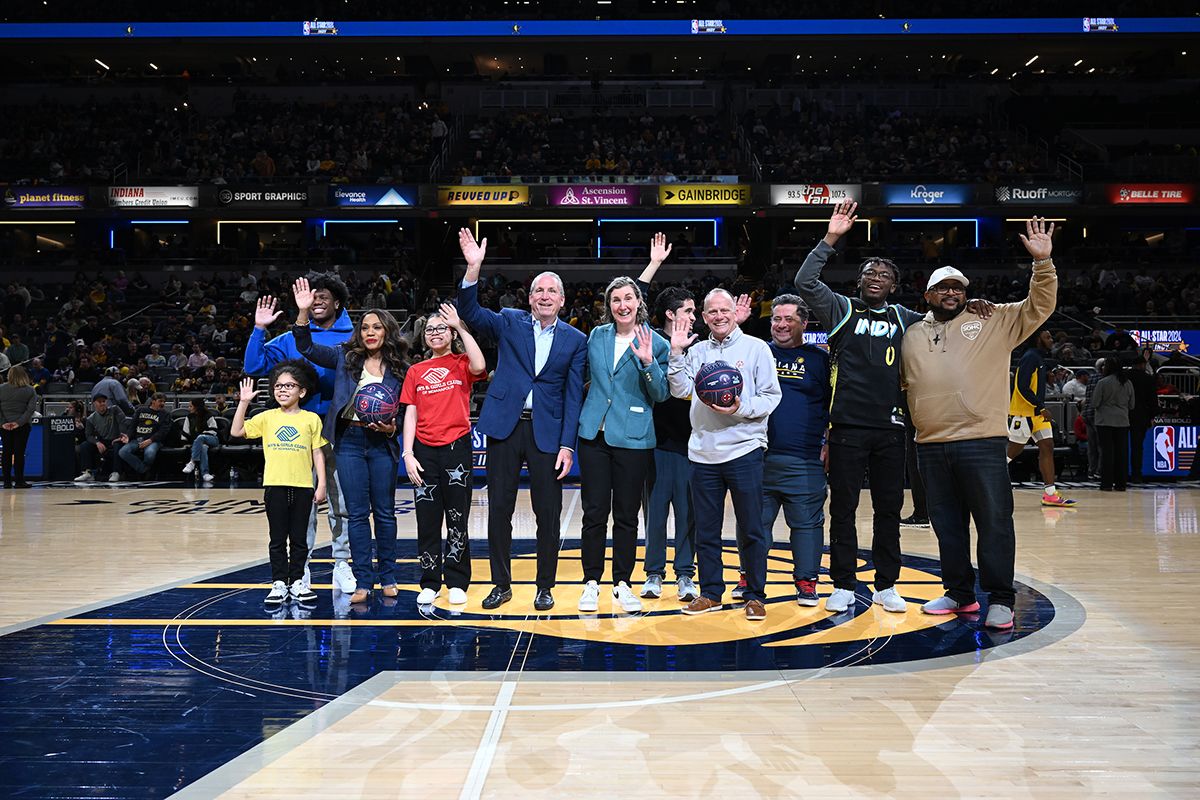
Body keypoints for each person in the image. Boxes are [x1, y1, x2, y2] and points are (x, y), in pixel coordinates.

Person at [793, 202, 991, 615]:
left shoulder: (907, 319)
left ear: (895, 285)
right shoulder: (841, 309)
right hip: (845, 425)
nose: (876, 279)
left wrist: (975, 304)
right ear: (860, 281)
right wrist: (832, 237)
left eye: (884, 275)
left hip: (892, 428)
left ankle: (886, 584)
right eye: (869, 274)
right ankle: (844, 583)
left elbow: (945, 317)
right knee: (843, 508)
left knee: (889, 510)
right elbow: (805, 280)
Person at [902, 217, 1059, 631]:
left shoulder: (994, 320)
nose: (952, 293)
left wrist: (1042, 264)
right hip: (930, 443)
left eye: (959, 288)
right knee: (947, 526)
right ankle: (959, 592)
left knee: (993, 522)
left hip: (982, 440)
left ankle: (1001, 598)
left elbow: (1039, 306)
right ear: (928, 294)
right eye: (944, 287)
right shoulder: (912, 333)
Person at [456, 228, 586, 612]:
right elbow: (470, 313)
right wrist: (473, 269)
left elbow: (573, 394)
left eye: (551, 292)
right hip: (505, 427)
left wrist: (567, 444)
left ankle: (545, 586)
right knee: (500, 510)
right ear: (529, 298)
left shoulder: (575, 340)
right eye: (538, 291)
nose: (544, 296)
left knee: (548, 514)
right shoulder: (509, 320)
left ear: (562, 300)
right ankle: (501, 584)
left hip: (547, 433)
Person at [293, 277, 407, 605]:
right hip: (350, 440)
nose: (370, 332)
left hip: (382, 442)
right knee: (356, 513)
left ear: (387, 331)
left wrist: (393, 427)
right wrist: (303, 313)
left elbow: (407, 409)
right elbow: (307, 347)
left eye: (377, 327)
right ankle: (363, 581)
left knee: (384, 512)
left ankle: (388, 575)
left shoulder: (400, 368)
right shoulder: (346, 356)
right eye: (365, 327)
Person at [668, 289, 782, 621]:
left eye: (724, 310)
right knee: (706, 529)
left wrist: (740, 407)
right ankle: (711, 592)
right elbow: (680, 390)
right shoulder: (697, 350)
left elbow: (770, 397)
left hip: (744, 449)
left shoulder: (756, 348)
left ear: (735, 313)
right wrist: (676, 352)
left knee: (751, 528)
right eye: (712, 311)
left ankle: (755, 595)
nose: (719, 316)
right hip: (702, 453)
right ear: (703, 318)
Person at [245, 271, 355, 596]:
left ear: (337, 302)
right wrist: (260, 329)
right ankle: (299, 568)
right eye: (312, 295)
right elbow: (254, 367)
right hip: (297, 436)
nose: (317, 300)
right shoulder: (289, 338)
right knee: (301, 507)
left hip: (340, 430)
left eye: (324, 296)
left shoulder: (353, 337)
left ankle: (342, 563)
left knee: (341, 503)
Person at [576, 277, 669, 614]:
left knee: (627, 517)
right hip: (594, 436)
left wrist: (647, 362)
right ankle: (591, 582)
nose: (622, 305)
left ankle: (622, 583)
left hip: (633, 438)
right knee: (594, 513)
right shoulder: (597, 336)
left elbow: (661, 393)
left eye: (628, 298)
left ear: (638, 302)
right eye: (615, 299)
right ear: (609, 305)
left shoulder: (656, 343)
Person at [401, 303, 487, 607]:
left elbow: (481, 366)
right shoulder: (415, 371)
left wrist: (462, 326)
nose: (435, 333)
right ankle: (429, 580)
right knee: (427, 520)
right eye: (430, 330)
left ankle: (457, 579)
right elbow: (410, 412)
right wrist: (407, 453)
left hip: (457, 449)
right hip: (424, 451)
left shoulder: (462, 363)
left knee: (456, 518)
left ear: (451, 334)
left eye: (441, 328)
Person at [755, 295, 830, 607]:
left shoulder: (820, 359)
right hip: (757, 456)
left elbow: (832, 404)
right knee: (754, 524)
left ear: (804, 323)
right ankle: (750, 578)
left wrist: (829, 441)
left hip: (805, 457)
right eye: (776, 319)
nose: (781, 325)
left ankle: (807, 581)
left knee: (807, 525)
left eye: (788, 319)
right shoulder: (757, 352)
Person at [231, 367, 327, 608]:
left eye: (289, 385)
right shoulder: (267, 417)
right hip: (275, 486)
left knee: (299, 539)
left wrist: (322, 483)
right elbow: (236, 431)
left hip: (304, 486)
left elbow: (317, 452)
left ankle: (297, 581)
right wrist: (243, 403)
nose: (282, 390)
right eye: (278, 386)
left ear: (302, 391)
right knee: (277, 539)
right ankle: (278, 583)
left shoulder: (311, 419)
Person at [640, 286, 701, 602]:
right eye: (688, 311)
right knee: (656, 513)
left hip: (693, 444)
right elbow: (634, 297)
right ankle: (653, 573)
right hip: (658, 442)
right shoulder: (649, 339)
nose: (694, 316)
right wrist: (653, 264)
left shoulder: (700, 348)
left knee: (688, 513)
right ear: (670, 314)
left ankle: (685, 576)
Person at [1006, 330, 1076, 507]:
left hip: (1036, 414)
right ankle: (978, 483)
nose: (1051, 340)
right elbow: (1021, 386)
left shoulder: (1038, 357)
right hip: (1024, 412)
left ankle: (1050, 494)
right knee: (1012, 452)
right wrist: (1041, 407)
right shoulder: (1030, 357)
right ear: (1038, 339)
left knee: (1047, 447)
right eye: (1048, 337)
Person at [1093, 358, 1136, 492]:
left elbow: (1095, 403)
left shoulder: (1102, 382)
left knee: (1107, 453)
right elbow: (1132, 405)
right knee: (1121, 453)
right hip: (1122, 421)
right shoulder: (1127, 383)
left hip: (1104, 421)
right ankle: (1121, 484)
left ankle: (1106, 484)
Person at [75, 394, 128, 483]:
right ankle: (88, 473)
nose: (102, 403)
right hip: (103, 441)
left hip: (117, 439)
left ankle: (116, 472)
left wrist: (122, 435)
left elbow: (123, 422)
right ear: (94, 404)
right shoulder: (91, 418)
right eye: (100, 402)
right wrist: (97, 442)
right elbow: (88, 435)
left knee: (117, 445)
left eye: (104, 401)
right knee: (85, 445)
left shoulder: (115, 409)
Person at [0, 365, 38, 488]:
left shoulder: (1, 388)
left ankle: (6, 482)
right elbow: (30, 409)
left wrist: (3, 422)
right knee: (19, 453)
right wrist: (19, 423)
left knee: (6, 452)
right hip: (23, 426)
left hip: (4, 426)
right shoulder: (30, 390)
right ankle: (19, 481)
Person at [118, 392, 170, 478]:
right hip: (137, 439)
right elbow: (132, 426)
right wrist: (128, 436)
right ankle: (144, 470)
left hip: (154, 440)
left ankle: (142, 472)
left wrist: (150, 440)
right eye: (160, 401)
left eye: (164, 402)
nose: (163, 404)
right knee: (122, 452)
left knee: (149, 454)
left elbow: (163, 431)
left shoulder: (166, 414)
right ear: (153, 401)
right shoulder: (141, 410)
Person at [181, 398, 220, 482]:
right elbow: (185, 431)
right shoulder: (189, 417)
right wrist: (185, 443)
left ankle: (192, 462)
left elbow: (214, 430)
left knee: (200, 437)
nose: (189, 408)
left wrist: (203, 434)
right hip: (198, 443)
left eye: (191, 406)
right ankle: (205, 474)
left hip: (212, 439)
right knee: (203, 448)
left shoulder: (208, 415)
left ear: (197, 407)